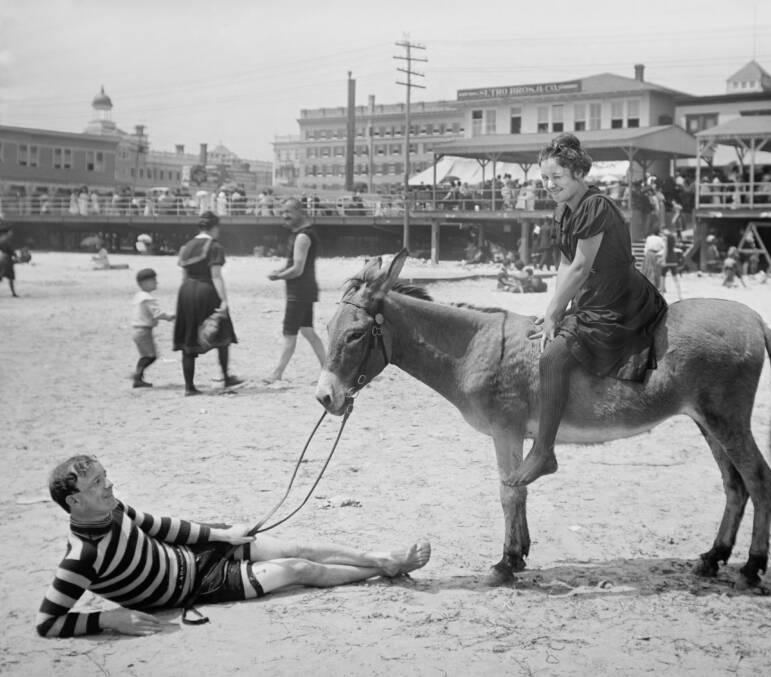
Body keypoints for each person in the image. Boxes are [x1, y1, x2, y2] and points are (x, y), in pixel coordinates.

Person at [36, 455, 431, 638]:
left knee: (298, 546)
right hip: (197, 587)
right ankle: (383, 569)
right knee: (298, 569)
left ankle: (378, 557)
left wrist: (222, 535)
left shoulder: (115, 508)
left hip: (198, 553)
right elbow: (47, 623)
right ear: (73, 501)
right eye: (97, 484)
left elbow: (164, 527)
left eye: (106, 477)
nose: (109, 487)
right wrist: (109, 620)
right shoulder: (81, 558)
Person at [505, 133, 667, 486]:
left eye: (557, 178)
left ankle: (544, 451)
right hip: (591, 296)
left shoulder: (595, 206)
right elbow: (565, 264)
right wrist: (555, 308)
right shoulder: (564, 210)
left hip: (618, 299)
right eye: (544, 179)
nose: (549, 185)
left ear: (579, 173)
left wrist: (554, 313)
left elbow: (580, 267)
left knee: (551, 359)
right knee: (547, 335)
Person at [173, 211, 241, 396]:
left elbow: (184, 276)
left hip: (186, 292)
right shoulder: (214, 246)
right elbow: (216, 276)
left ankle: (189, 387)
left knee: (188, 339)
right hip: (206, 290)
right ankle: (225, 377)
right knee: (222, 334)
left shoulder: (186, 247)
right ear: (215, 227)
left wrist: (184, 300)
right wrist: (224, 300)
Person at [265, 199, 326, 383]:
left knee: (289, 334)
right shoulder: (302, 234)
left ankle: (276, 374)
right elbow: (295, 265)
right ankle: (328, 369)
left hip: (298, 293)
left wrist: (278, 276)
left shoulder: (302, 236)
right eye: (282, 212)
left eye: (288, 212)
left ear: (300, 212)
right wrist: (282, 271)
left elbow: (297, 269)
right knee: (308, 331)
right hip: (305, 290)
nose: (284, 216)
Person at [131, 268, 175, 388]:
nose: (156, 282)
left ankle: (138, 377)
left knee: (145, 355)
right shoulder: (147, 298)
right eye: (153, 280)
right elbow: (157, 313)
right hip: (144, 330)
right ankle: (137, 376)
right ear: (144, 283)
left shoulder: (138, 296)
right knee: (151, 356)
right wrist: (170, 317)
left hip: (137, 330)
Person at [641, 226, 666, 291]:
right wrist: (659, 254)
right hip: (656, 254)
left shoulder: (649, 238)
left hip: (648, 254)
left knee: (648, 270)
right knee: (656, 270)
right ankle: (656, 286)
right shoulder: (660, 239)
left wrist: (645, 255)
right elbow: (664, 248)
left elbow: (646, 248)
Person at [0, 223, 19, 297]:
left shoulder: (2, 239)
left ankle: (13, 293)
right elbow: (10, 251)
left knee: (3, 276)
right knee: (10, 277)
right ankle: (13, 293)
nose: (12, 233)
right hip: (6, 260)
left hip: (3, 259)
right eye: (11, 231)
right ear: (7, 232)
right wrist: (15, 256)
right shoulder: (5, 240)